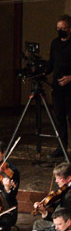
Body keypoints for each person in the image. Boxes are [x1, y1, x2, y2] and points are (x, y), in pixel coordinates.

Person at [50, 14, 71, 158]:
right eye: (58, 28)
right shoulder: (55, 43)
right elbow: (51, 63)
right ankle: (61, 147)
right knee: (59, 118)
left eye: (63, 28)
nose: (60, 31)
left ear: (69, 29)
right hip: (58, 88)